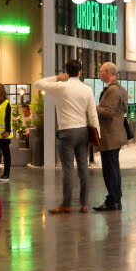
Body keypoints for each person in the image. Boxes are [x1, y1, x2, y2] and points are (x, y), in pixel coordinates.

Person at [35, 59, 99, 214]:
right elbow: (93, 114)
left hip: (66, 132)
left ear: (66, 72)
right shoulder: (87, 89)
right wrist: (98, 135)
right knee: (83, 168)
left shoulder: (60, 87)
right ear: (80, 72)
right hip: (83, 131)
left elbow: (38, 83)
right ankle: (84, 204)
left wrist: (58, 77)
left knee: (68, 169)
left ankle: (67, 204)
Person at [94, 62, 128, 212]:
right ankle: (114, 198)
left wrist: (91, 105)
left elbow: (108, 112)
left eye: (101, 71)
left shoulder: (113, 90)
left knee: (110, 169)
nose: (99, 74)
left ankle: (112, 200)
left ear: (108, 72)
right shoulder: (120, 88)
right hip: (113, 134)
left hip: (110, 135)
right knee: (112, 168)